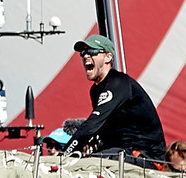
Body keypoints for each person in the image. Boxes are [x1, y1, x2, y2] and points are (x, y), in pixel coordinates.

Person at [52, 35, 166, 163]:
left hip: (146, 155)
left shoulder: (118, 83)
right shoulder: (95, 90)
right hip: (123, 151)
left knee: (90, 163)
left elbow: (92, 124)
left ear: (108, 57)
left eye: (91, 52)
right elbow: (103, 129)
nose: (85, 56)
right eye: (83, 53)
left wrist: (64, 155)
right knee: (86, 160)